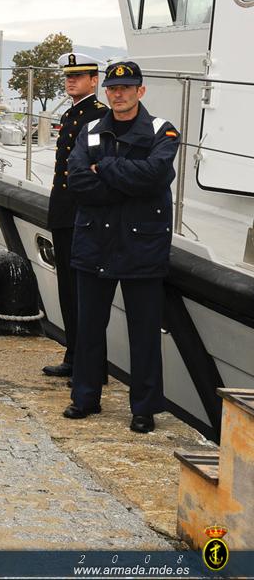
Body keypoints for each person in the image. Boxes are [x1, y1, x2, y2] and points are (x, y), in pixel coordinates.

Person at [64, 60, 179, 433]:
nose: (118, 94)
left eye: (127, 88)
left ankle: (144, 408)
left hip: (140, 244)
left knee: (144, 332)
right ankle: (85, 398)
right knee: (89, 326)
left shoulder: (162, 131)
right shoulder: (92, 129)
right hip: (95, 239)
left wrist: (106, 169)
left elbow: (155, 175)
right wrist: (124, 178)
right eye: (113, 89)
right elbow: (78, 179)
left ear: (140, 91)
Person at [42, 53, 109, 379]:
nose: (71, 80)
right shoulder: (73, 114)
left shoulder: (97, 117)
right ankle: (74, 355)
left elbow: (95, 164)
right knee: (68, 288)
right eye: (69, 76)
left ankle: (87, 362)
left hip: (82, 214)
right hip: (64, 212)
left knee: (83, 292)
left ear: (94, 81)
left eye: (79, 76)